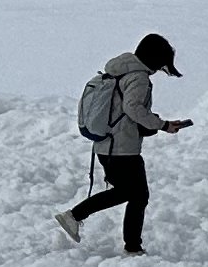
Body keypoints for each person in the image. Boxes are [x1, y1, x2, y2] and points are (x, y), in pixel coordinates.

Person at [60, 33, 191, 255]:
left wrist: (154, 124)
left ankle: (82, 219)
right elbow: (133, 109)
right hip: (122, 149)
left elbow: (125, 111)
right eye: (161, 64)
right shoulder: (138, 78)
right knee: (137, 195)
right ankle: (125, 243)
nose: (160, 69)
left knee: (129, 193)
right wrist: (163, 125)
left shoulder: (119, 71)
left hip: (106, 146)